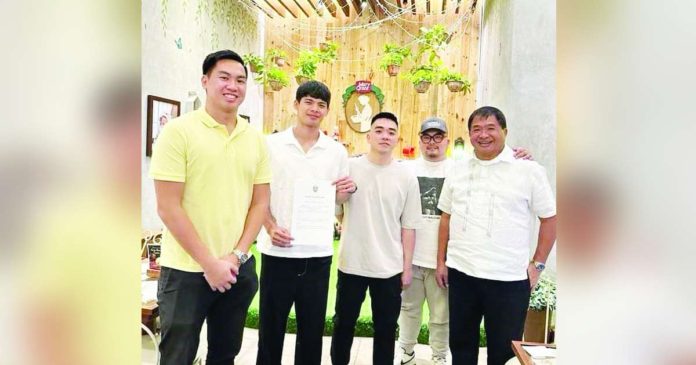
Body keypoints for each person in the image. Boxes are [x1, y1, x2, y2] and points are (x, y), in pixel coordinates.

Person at [150, 49, 271, 365]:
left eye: (241, 80)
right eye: (224, 77)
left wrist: (236, 256)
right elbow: (168, 207)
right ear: (205, 81)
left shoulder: (255, 139)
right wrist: (209, 263)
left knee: (225, 355)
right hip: (186, 272)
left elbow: (260, 203)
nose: (233, 85)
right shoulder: (178, 132)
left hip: (236, 270)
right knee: (177, 356)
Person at [398, 117, 534, 365]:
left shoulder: (459, 168)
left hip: (445, 262)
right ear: (419, 140)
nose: (432, 142)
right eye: (427, 137)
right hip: (411, 257)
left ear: (447, 141)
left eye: (438, 137)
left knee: (441, 316)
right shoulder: (405, 169)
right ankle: (406, 353)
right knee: (408, 310)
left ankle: (439, 357)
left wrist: (519, 155)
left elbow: (493, 161)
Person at [436, 106, 557, 365]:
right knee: (461, 347)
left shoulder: (528, 170)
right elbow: (446, 217)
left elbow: (550, 219)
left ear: (505, 131)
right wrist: (440, 262)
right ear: (469, 135)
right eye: (476, 129)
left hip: (508, 279)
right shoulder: (457, 169)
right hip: (462, 273)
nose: (483, 135)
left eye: (491, 128)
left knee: (503, 354)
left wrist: (538, 264)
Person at [256, 80, 356, 365]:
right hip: (277, 253)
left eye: (321, 105)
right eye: (309, 102)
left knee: (312, 333)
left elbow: (338, 201)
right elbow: (257, 194)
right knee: (270, 330)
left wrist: (343, 193)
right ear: (296, 104)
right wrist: (270, 227)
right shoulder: (271, 145)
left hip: (317, 255)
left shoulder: (336, 151)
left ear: (326, 111)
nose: (314, 109)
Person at [330, 112, 422, 365]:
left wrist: (406, 269)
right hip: (352, 263)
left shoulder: (406, 176)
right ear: (368, 136)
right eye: (379, 130)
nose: (385, 135)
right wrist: (338, 197)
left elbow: (409, 227)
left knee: (385, 329)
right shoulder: (350, 168)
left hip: (389, 268)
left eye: (391, 132)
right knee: (343, 324)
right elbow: (337, 211)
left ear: (397, 139)